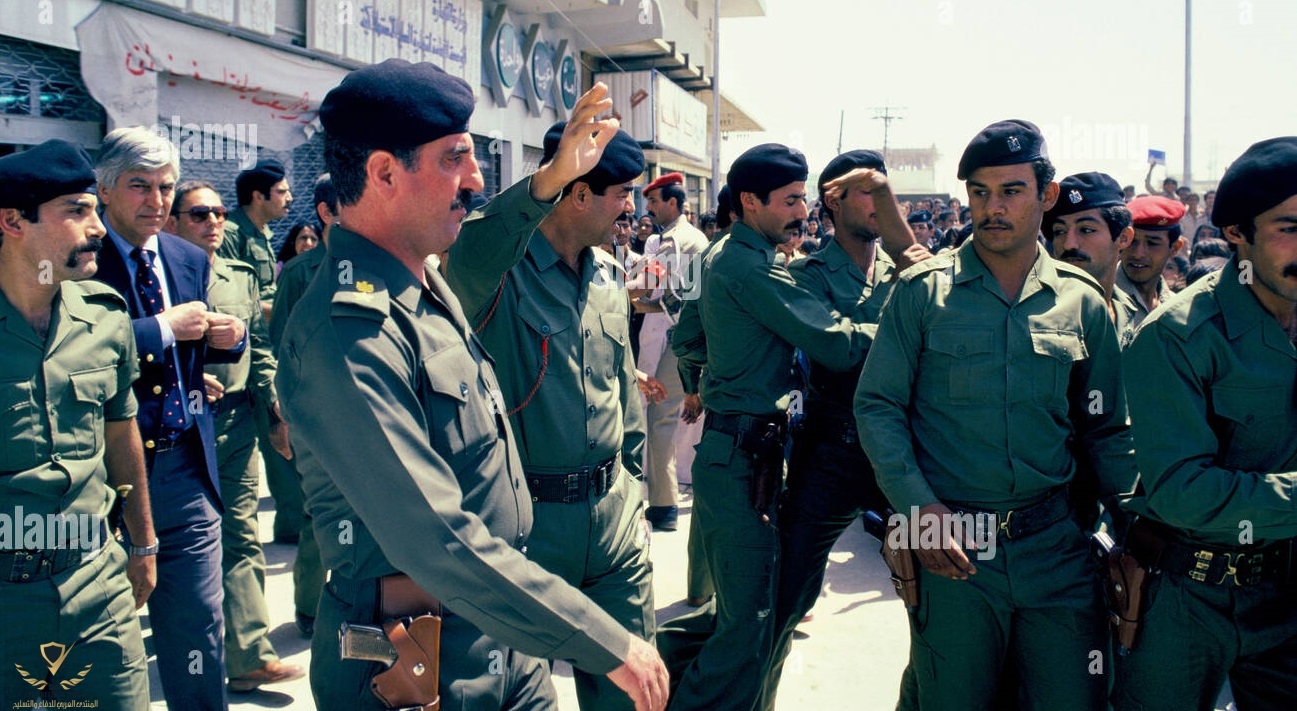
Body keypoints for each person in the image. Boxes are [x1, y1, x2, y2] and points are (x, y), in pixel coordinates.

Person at [276, 60, 668, 711]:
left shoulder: (420, 283)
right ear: (382, 173)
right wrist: (604, 641)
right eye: (456, 157)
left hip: (499, 638)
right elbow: (436, 537)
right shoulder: (347, 332)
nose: (476, 178)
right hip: (415, 666)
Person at [856, 119, 1137, 710]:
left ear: (1047, 196)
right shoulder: (923, 293)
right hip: (954, 550)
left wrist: (1135, 535)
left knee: (1073, 699)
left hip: (1056, 551)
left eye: (1011, 191)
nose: (993, 208)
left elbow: (1107, 430)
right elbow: (878, 405)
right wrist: (918, 509)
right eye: (980, 193)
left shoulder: (1082, 302)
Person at [445, 120, 654, 711]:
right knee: (522, 698)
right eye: (622, 195)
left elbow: (623, 395)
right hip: (528, 531)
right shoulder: (496, 273)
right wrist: (547, 179)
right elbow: (470, 248)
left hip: (613, 526)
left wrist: (634, 491)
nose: (632, 210)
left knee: (635, 692)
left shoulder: (610, 275)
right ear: (579, 193)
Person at [659, 143, 877, 711]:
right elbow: (836, 343)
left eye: (804, 198)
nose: (801, 211)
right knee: (748, 625)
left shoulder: (722, 254)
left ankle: (647, 676)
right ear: (751, 201)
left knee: (742, 614)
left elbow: (686, 338)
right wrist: (905, 323)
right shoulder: (750, 268)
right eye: (789, 200)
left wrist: (713, 377)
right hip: (743, 459)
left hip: (739, 451)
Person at [1113, 136, 1297, 710]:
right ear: (1237, 234)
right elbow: (1180, 491)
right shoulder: (1177, 337)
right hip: (1187, 597)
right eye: (1289, 227)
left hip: (1286, 594)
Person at [759, 149, 928, 710]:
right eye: (867, 191)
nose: (882, 203)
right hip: (831, 452)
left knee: (939, 601)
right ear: (832, 201)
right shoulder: (806, 274)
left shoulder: (908, 271)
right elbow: (834, 350)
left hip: (903, 457)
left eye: (887, 191)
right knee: (785, 596)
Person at [92, 126, 248, 710]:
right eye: (140, 186)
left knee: (199, 627)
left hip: (185, 468)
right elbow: (69, 347)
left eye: (165, 187)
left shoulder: (186, 256)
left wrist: (228, 339)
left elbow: (191, 352)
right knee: (107, 632)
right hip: (109, 473)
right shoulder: (79, 256)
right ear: (105, 191)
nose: (156, 201)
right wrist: (160, 329)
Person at [0, 139, 156, 710]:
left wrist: (143, 543)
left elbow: (122, 432)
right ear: (13, 221)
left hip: (97, 584)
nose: (97, 227)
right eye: (76, 211)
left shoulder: (105, 315)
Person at [164, 180, 304, 692]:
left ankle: (247, 655)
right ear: (172, 221)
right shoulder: (154, 276)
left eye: (220, 213)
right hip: (173, 427)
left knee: (241, 535)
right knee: (176, 545)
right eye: (200, 214)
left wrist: (275, 407)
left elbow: (261, 346)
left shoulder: (238, 276)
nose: (214, 223)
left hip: (235, 422)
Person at [267, 172, 338, 638]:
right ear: (326, 212)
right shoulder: (299, 273)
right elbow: (278, 350)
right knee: (319, 516)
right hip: (318, 416)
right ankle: (310, 608)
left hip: (375, 415)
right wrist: (283, 417)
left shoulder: (385, 266)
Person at [220, 159, 302, 546]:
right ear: (258, 196)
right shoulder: (232, 233)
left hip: (266, 348)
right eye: (283, 192)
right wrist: (292, 303)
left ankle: (290, 524)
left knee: (280, 434)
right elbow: (244, 300)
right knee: (272, 435)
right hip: (242, 356)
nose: (289, 199)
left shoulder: (261, 232)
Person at [633, 172, 710, 533]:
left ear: (673, 204)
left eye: (654, 202)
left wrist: (622, 294)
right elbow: (683, 297)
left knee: (660, 416)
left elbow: (652, 286)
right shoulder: (695, 237)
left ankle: (662, 506)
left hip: (683, 343)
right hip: (698, 340)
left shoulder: (673, 241)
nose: (647, 208)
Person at [1044, 172, 1140, 340]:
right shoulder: (1039, 314)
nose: (1069, 244)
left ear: (1123, 238)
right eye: (1059, 231)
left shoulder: (1134, 314)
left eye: (1086, 230)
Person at [1116, 195, 1186, 328]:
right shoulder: (1102, 300)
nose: (1138, 254)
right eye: (1131, 242)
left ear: (1174, 248)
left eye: (1152, 243)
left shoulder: (1177, 305)